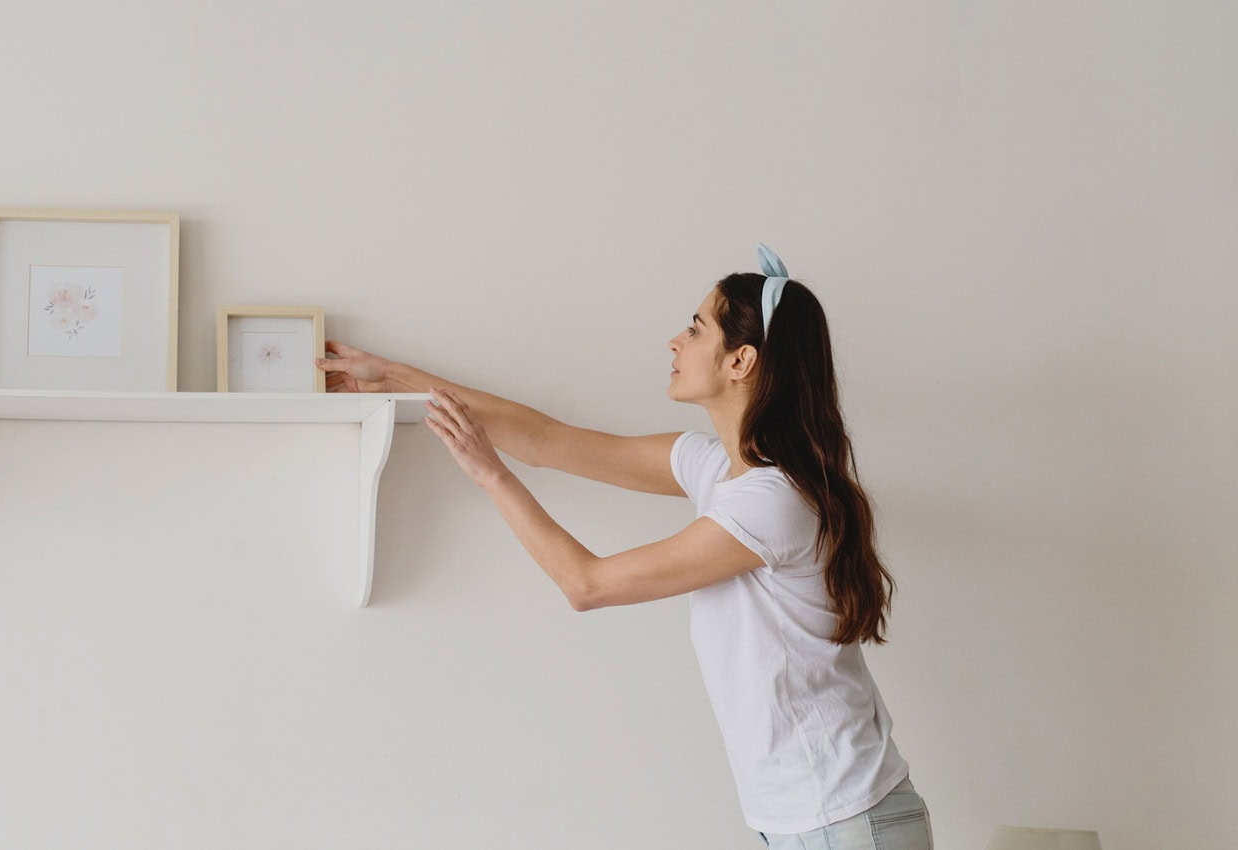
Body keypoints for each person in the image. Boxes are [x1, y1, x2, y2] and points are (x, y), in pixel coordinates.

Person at [315, 245, 933, 849]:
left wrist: (491, 476)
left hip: (846, 821)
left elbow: (587, 584)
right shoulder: (718, 471)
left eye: (695, 329)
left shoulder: (772, 502)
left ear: (740, 361)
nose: (674, 342)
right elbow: (546, 437)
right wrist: (391, 377)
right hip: (811, 819)